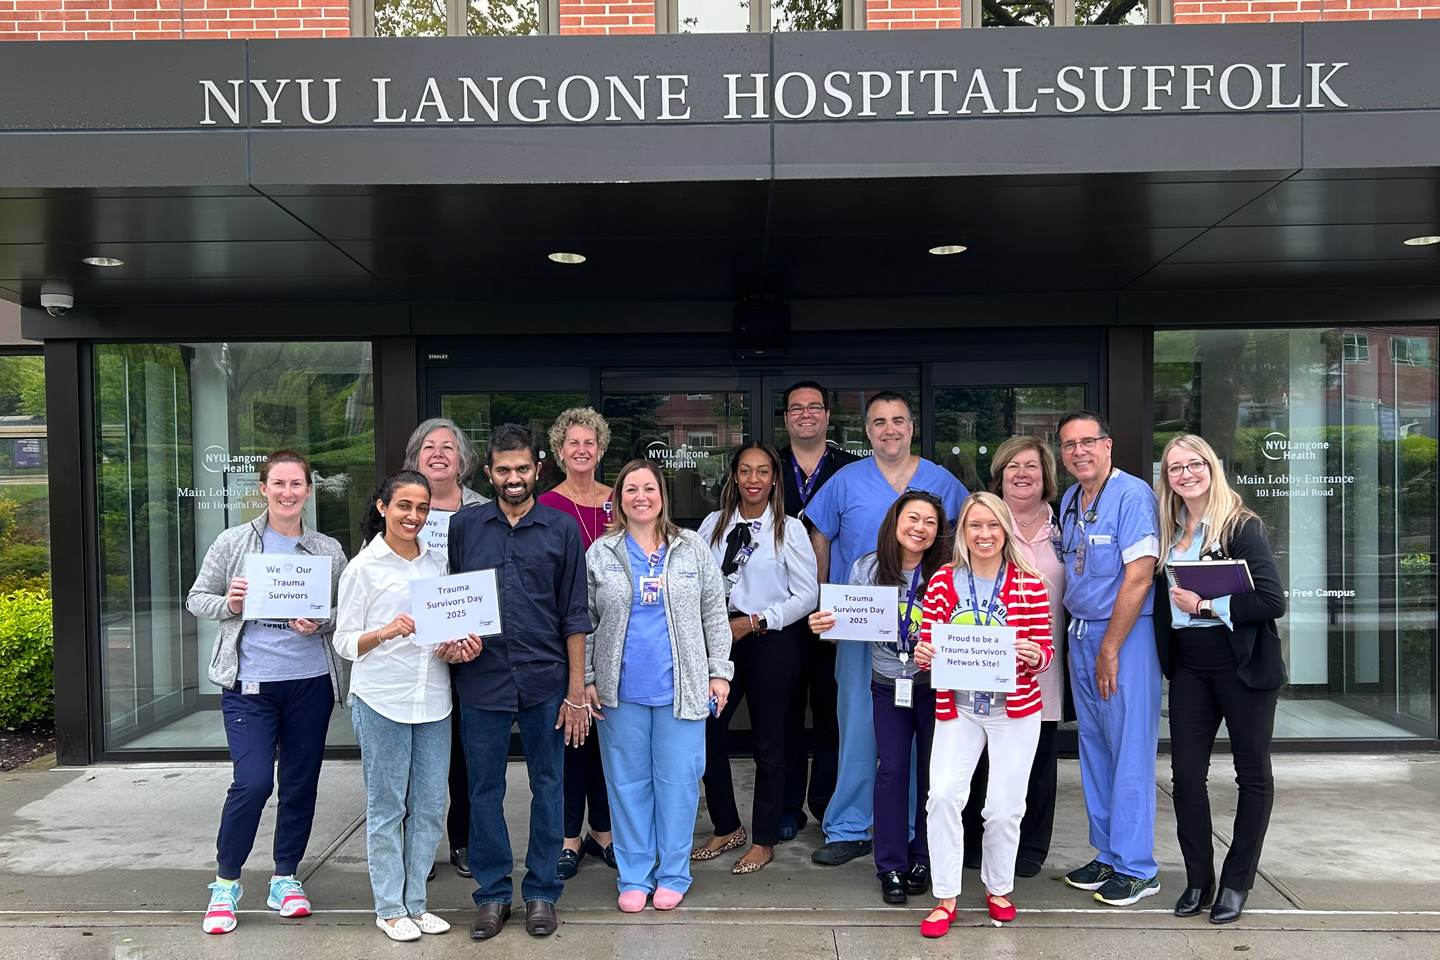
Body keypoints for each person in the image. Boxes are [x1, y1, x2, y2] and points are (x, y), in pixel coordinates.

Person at [186, 450, 348, 936]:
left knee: (300, 783)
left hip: (309, 683)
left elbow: (349, 611)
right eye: (278, 484)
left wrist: (322, 621)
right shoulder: (235, 541)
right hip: (250, 683)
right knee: (253, 781)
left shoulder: (327, 549)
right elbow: (197, 598)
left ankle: (285, 877)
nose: (287, 493)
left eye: (296, 484)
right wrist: (231, 603)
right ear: (263, 488)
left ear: (308, 490)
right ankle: (225, 883)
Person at [803, 391, 967, 866]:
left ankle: (916, 829)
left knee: (920, 734)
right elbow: (819, 537)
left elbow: (959, 542)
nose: (889, 429)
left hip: (926, 632)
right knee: (858, 726)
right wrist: (825, 603)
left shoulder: (941, 480)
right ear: (866, 430)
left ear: (912, 426)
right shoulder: (846, 480)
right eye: (879, 422)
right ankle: (849, 825)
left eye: (898, 420)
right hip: (861, 629)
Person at [447, 424, 591, 940]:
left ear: (538, 469)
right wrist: (451, 641)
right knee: (484, 788)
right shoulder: (464, 528)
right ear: (488, 473)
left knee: (548, 786)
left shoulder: (563, 528)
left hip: (545, 680)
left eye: (522, 468)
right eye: (503, 470)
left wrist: (576, 693)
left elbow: (576, 615)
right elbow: (452, 602)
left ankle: (542, 892)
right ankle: (491, 895)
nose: (513, 478)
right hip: (481, 680)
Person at [334, 470, 484, 942]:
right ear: (382, 507)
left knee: (427, 807)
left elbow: (444, 632)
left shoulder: (438, 565)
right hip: (382, 699)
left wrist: (458, 647)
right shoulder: (363, 567)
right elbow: (342, 642)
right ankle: (389, 907)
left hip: (434, 699)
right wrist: (384, 632)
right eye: (404, 506)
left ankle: (416, 903)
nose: (413, 516)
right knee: (386, 806)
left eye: (422, 508)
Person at [584, 459, 733, 912]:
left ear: (662, 496)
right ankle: (633, 875)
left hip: (683, 691)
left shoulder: (690, 547)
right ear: (619, 498)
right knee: (627, 785)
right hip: (620, 692)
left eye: (649, 488)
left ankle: (672, 873)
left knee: (679, 784)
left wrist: (719, 671)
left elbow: (714, 612)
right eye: (631, 489)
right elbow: (586, 622)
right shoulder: (601, 552)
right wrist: (588, 678)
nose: (641, 497)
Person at [1155, 434, 1286, 925]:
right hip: (1189, 664)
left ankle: (1236, 882)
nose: (1185, 474)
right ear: (1165, 477)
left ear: (1211, 467)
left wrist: (1209, 605)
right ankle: (1198, 879)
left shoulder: (1241, 526)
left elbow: (1273, 601)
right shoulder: (1168, 529)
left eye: (1194, 465)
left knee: (1251, 775)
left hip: (1243, 664)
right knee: (1186, 776)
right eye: (1174, 468)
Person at [915, 492, 1054, 935]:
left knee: (1003, 808)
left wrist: (1034, 655)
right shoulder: (943, 581)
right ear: (964, 533)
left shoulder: (1028, 583)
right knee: (942, 797)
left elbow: (1046, 652)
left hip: (1014, 711)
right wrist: (924, 652)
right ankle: (946, 896)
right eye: (975, 526)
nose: (985, 534)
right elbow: (928, 647)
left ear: (1006, 529)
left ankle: (998, 887)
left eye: (993, 525)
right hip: (957, 708)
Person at [808, 491, 949, 904]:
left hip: (936, 688)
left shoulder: (947, 571)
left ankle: (922, 857)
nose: (919, 528)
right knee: (891, 771)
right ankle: (890, 866)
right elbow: (850, 622)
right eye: (912, 518)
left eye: (929, 522)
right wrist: (826, 622)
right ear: (895, 521)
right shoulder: (867, 567)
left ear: (939, 531)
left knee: (931, 774)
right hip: (888, 685)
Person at [1055, 411, 1164, 907]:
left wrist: (1110, 649)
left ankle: (1139, 867)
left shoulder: (1133, 495)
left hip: (1122, 638)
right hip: (1081, 634)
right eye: (1069, 445)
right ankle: (1109, 855)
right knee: (1095, 748)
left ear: (1108, 445)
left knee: (1129, 752)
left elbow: (1139, 577)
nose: (1079, 451)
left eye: (1088, 442)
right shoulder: (1073, 499)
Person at [694, 442, 818, 874]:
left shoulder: (789, 528)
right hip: (719, 637)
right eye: (745, 471)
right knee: (706, 731)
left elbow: (808, 595)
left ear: (774, 479)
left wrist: (756, 622)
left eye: (763, 472)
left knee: (770, 740)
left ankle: (764, 837)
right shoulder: (713, 525)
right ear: (733, 476)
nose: (753, 479)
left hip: (771, 639)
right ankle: (727, 825)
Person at [960, 436, 1068, 877]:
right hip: (979, 665)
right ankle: (973, 843)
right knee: (980, 760)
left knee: (1038, 759)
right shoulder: (980, 523)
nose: (1022, 474)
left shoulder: (1066, 528)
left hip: (1042, 660)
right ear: (998, 475)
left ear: (1046, 477)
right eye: (1012, 467)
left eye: (1032, 467)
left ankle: (1029, 849)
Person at [402, 416, 489, 880]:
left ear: (463, 460)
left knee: (465, 752)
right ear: (416, 457)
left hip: (469, 646)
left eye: (448, 446)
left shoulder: (483, 508)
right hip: (413, 649)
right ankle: (417, 845)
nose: (438, 453)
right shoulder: (399, 506)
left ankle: (464, 841)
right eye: (429, 446)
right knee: (418, 753)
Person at [777, 381, 860, 840]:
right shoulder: (768, 469)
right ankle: (789, 807)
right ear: (786, 418)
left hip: (839, 611)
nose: (805, 414)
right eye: (796, 408)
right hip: (784, 612)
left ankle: (829, 803)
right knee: (787, 711)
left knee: (832, 714)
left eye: (814, 407)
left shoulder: (852, 469)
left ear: (828, 416)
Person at [539, 407, 618, 879]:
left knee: (607, 740)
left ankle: (603, 833)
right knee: (571, 740)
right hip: (561, 637)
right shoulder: (546, 505)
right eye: (573, 443)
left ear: (601, 449)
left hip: (614, 640)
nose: (582, 450)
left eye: (590, 442)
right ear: (560, 450)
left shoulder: (621, 501)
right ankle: (570, 837)